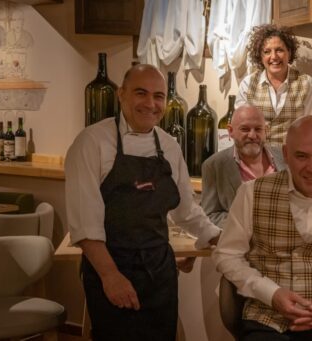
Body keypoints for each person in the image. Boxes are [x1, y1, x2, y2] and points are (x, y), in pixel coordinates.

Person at [64, 64, 221, 340]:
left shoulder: (169, 146)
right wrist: (110, 276)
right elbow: (85, 223)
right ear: (121, 95)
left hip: (160, 271)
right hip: (111, 266)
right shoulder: (91, 142)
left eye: (158, 96)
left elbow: (186, 210)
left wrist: (216, 236)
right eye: (141, 93)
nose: (151, 104)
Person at [212, 116, 312, 340]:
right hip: (267, 320)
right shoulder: (252, 192)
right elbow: (227, 256)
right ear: (286, 154)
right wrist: (272, 294)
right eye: (301, 156)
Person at [201, 104, 287, 228]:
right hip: (241, 245)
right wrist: (251, 224)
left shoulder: (286, 158)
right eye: (245, 129)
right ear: (230, 131)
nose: (252, 135)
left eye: (258, 129)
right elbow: (210, 216)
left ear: (266, 131)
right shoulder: (213, 166)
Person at [237, 24, 312, 144]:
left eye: (279, 50)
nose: (274, 57)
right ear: (260, 56)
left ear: (289, 52)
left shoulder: (307, 83)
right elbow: (241, 127)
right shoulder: (248, 84)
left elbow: (311, 127)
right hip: (257, 156)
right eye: (267, 51)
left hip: (292, 158)